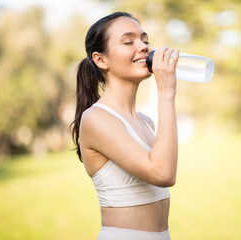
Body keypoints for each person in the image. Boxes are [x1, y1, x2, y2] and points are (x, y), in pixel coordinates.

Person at [71, 12, 179, 240]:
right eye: (129, 41)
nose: (143, 47)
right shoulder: (96, 119)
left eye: (145, 40)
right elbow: (163, 173)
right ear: (101, 60)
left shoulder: (144, 121)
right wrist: (166, 92)